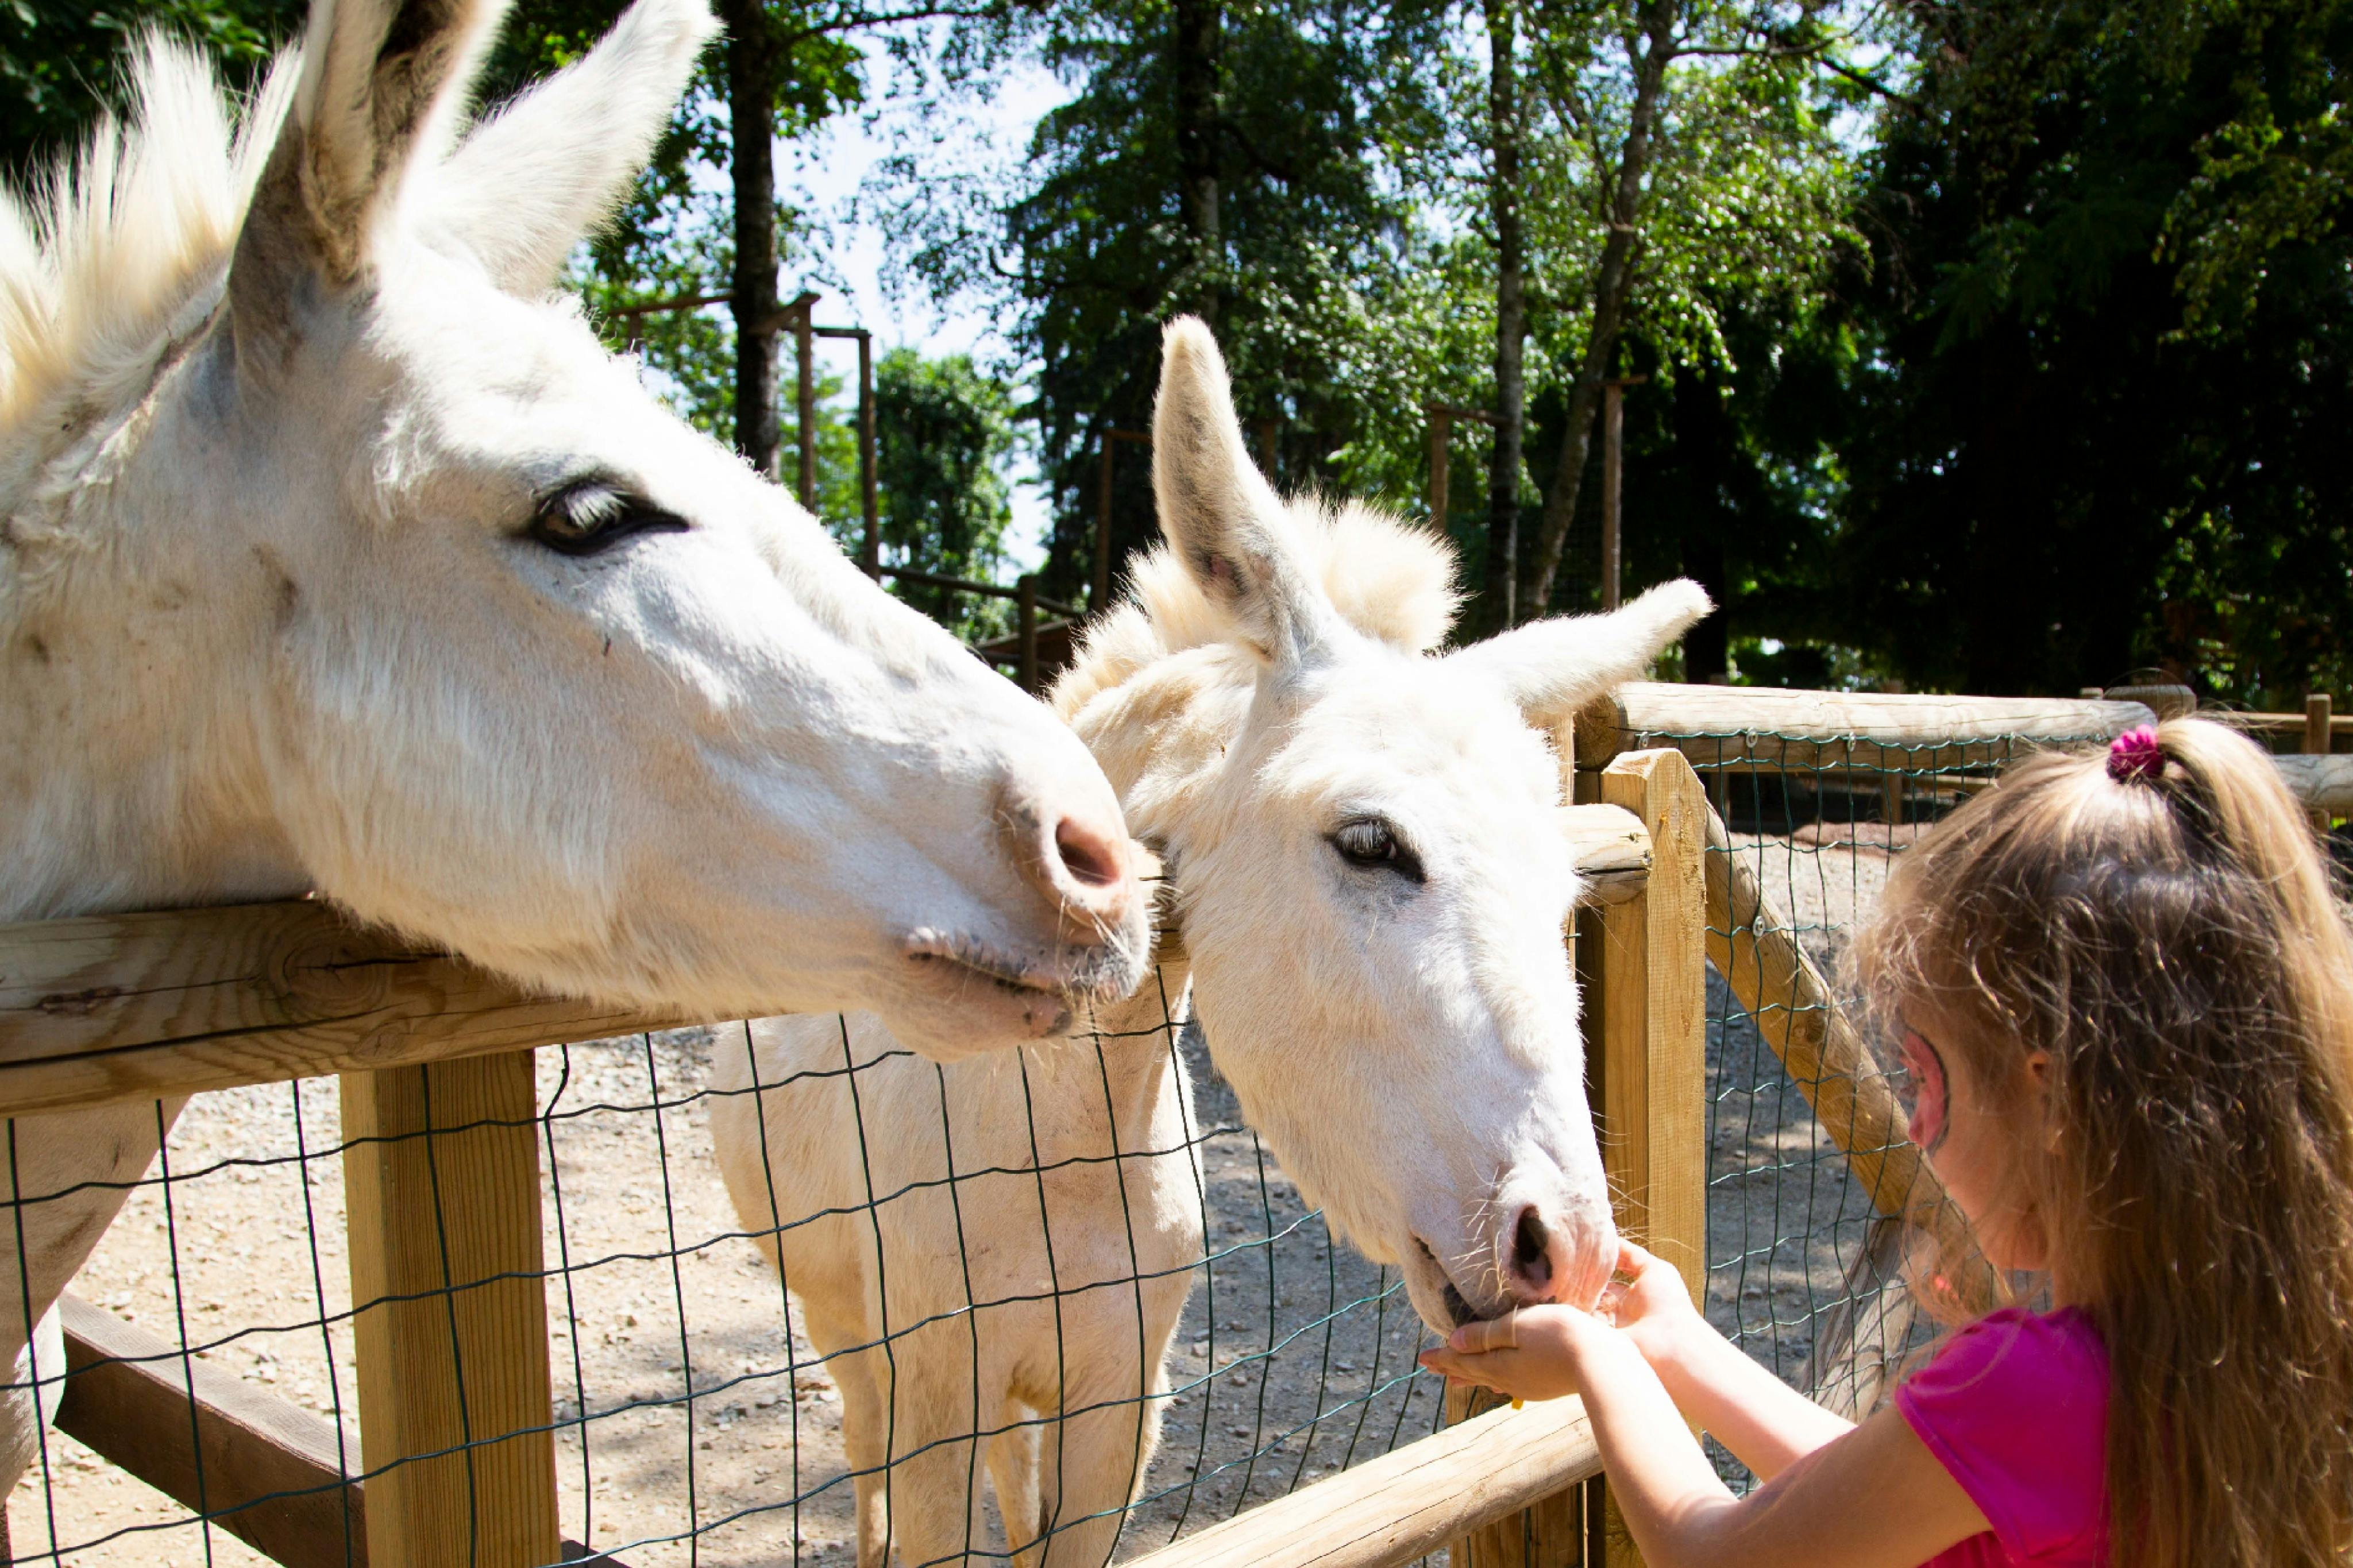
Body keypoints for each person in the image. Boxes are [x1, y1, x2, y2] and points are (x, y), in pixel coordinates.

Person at [1419, 719, 2353, 1567]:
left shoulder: (2035, 1381)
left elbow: (1725, 1557)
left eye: (1926, 1075)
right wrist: (1680, 1347)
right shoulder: (2230, 1348)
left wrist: (1602, 1365)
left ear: (2053, 1095)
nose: (1912, 1123)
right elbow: (1896, 1499)